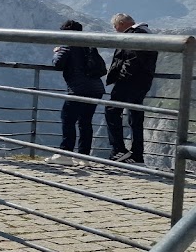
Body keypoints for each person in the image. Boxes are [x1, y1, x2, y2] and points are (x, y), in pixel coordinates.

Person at [47, 20, 105, 166]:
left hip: (78, 89)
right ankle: (83, 157)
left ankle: (65, 154)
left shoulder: (68, 45)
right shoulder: (88, 44)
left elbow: (57, 64)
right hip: (96, 89)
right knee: (85, 122)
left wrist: (57, 51)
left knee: (68, 119)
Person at [104, 13, 158, 164]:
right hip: (143, 81)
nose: (116, 31)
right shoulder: (146, 32)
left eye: (115, 27)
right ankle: (137, 154)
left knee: (112, 110)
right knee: (135, 116)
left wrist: (121, 78)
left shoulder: (134, 34)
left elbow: (131, 58)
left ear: (121, 23)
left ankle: (118, 150)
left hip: (130, 82)